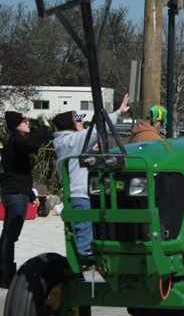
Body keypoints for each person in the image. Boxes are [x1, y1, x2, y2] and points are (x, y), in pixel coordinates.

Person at [53, 95, 130, 258]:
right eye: (78, 121)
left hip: (74, 195)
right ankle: (83, 273)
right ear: (70, 126)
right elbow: (98, 129)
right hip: (80, 196)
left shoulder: (64, 142)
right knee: (84, 241)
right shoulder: (73, 141)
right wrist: (117, 112)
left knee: (78, 235)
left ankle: (80, 270)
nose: (82, 123)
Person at [0, 112, 49, 287]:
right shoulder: (17, 140)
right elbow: (33, 145)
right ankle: (7, 276)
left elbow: (19, 173)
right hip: (14, 194)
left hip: (13, 192)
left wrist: (30, 194)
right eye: (23, 121)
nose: (27, 123)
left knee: (7, 234)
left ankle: (3, 273)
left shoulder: (12, 142)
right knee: (10, 236)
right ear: (16, 126)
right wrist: (45, 127)